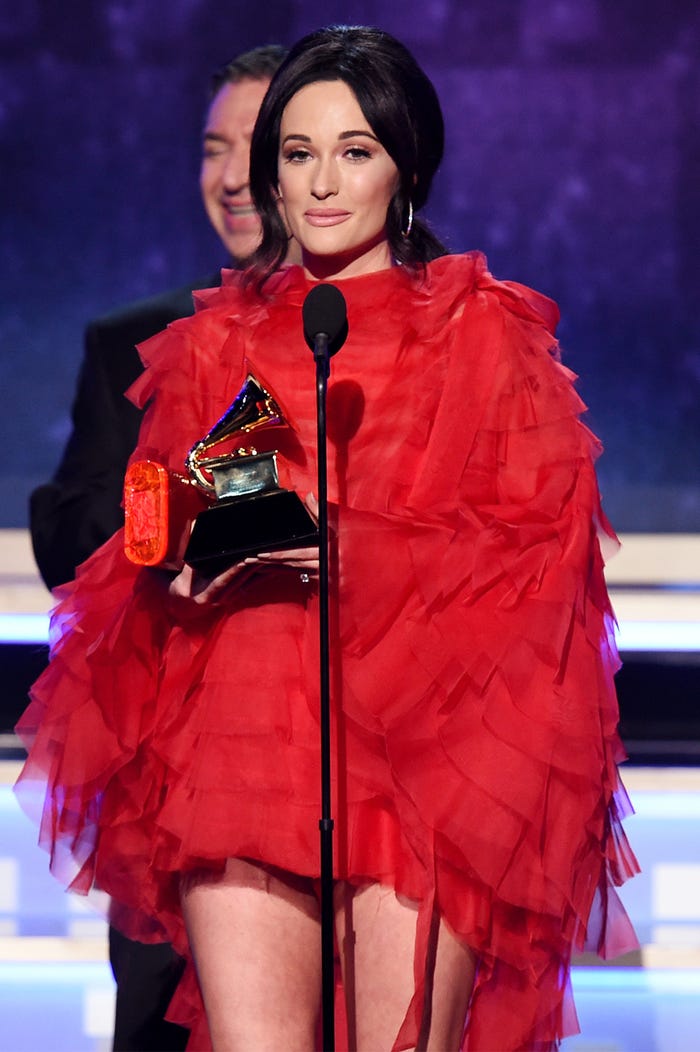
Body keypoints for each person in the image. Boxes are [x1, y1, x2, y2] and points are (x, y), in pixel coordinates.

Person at [16, 25, 639, 1051]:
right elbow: (174, 515)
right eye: (296, 154)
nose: (318, 183)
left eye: (353, 152)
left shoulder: (484, 336)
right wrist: (179, 557)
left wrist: (355, 551)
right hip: (248, 733)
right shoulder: (226, 337)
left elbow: (537, 566)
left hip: (425, 758)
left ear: (406, 166)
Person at [27, 44, 289, 1052]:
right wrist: (191, 493)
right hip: (177, 794)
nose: (229, 178)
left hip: (357, 790)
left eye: (257, 148)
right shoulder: (137, 341)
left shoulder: (398, 349)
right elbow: (67, 526)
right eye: (211, 148)